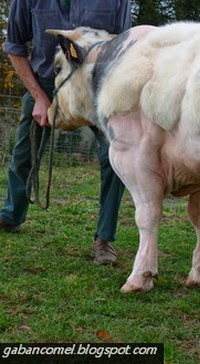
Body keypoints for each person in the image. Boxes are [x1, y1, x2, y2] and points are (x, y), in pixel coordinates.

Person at [0, 0, 131, 265]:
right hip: (46, 83)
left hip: (98, 86)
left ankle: (104, 238)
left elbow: (125, 44)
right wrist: (38, 97)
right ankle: (11, 216)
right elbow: (14, 47)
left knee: (115, 159)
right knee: (25, 151)